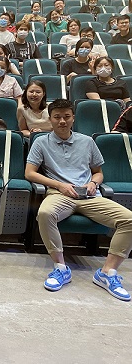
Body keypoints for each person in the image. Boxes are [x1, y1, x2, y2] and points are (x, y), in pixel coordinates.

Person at [25, 99, 132, 301]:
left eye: (66, 116)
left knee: (129, 219)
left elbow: (98, 172)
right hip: (59, 194)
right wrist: (59, 185)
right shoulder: (41, 142)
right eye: (57, 117)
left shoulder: (87, 141)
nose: (62, 121)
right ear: (50, 119)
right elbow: (30, 173)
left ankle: (107, 273)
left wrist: (93, 183)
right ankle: (60, 267)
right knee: (45, 213)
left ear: (73, 118)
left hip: (89, 196)